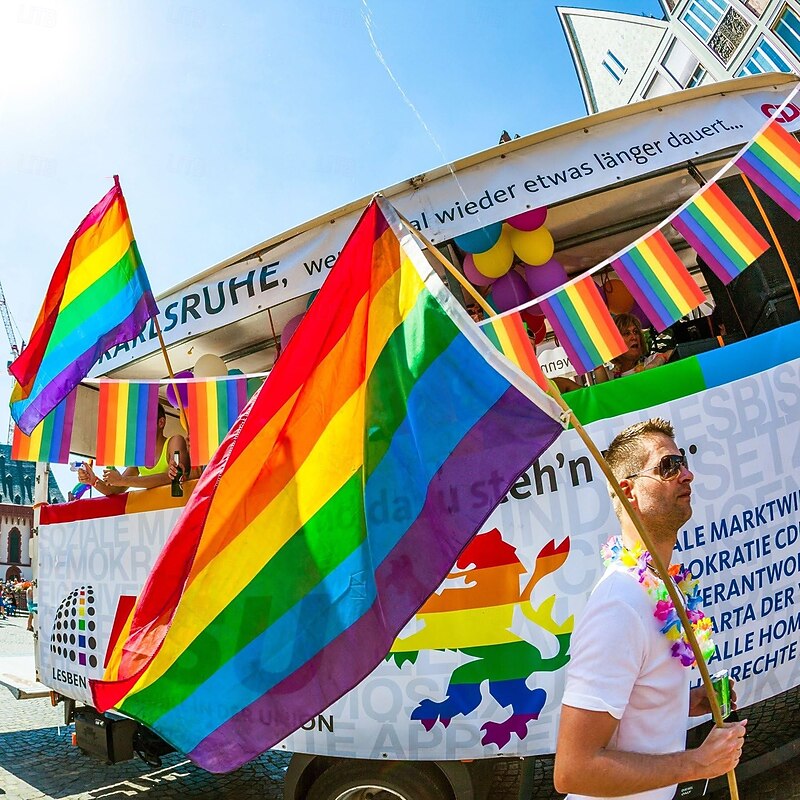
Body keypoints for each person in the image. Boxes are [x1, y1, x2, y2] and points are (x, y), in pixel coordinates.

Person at [553, 418, 746, 800]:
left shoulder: (660, 586)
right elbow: (573, 771)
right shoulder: (617, 606)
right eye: (668, 467)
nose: (687, 474)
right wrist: (699, 763)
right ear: (628, 492)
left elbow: (633, 706)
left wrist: (677, 703)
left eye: (684, 462)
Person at [78, 404, 189, 495]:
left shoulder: (175, 441)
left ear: (161, 423)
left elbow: (174, 478)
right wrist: (93, 480)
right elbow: (115, 490)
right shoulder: (140, 455)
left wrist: (122, 480)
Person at [594, 313, 673, 383]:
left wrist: (658, 361)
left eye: (636, 332)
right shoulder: (610, 376)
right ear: (615, 342)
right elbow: (602, 392)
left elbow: (674, 352)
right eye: (627, 333)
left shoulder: (650, 361)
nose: (634, 337)